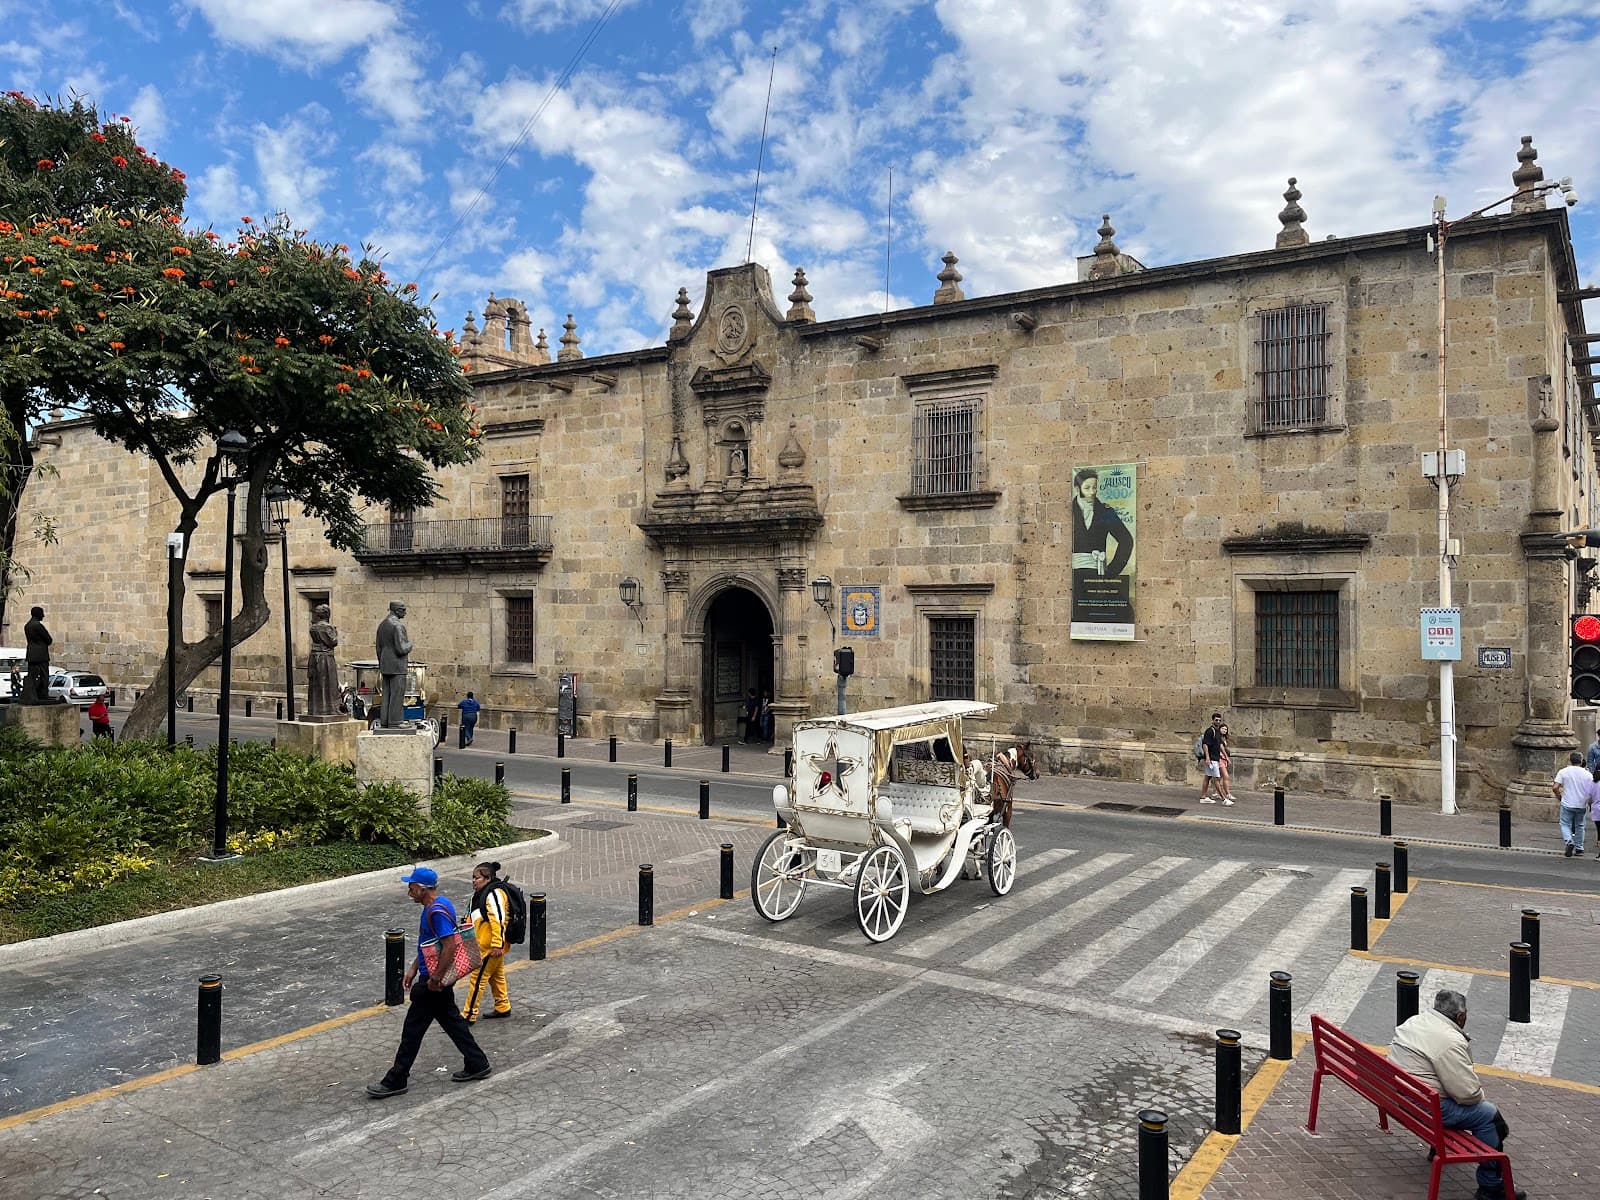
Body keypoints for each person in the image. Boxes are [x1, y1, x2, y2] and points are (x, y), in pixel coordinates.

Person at [367, 866, 492, 1098]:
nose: (409, 892)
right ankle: (478, 1062)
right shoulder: (439, 903)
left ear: (423, 889)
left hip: (434, 981)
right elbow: (430, 944)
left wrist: (435, 979)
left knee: (412, 1030)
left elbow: (449, 945)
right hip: (433, 977)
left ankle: (396, 1079)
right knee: (452, 1022)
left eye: (411, 887)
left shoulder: (435, 912)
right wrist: (414, 968)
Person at [1390, 989, 1525, 1200]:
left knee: (1453, 1098)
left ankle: (1438, 1146)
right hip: (1426, 1108)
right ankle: (1491, 1187)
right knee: (1491, 1117)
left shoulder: (1415, 1021)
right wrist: (1479, 1097)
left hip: (1401, 1097)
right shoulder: (1450, 1041)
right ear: (1461, 1016)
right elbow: (1468, 1093)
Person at [1070, 467, 1133, 624]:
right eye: (1087, 488)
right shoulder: (1068, 511)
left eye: (1095, 487)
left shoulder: (1105, 512)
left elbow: (1126, 540)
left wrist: (1111, 572)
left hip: (1098, 577)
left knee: (1124, 615)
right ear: (1077, 488)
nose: (1092, 492)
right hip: (1072, 580)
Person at [461, 861, 511, 1023]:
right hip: (485, 946)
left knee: (478, 980)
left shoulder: (493, 894)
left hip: (489, 948)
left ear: (488, 878)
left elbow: (499, 919)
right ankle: (502, 1006)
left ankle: (469, 1014)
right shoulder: (481, 894)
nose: (474, 881)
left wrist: (497, 943)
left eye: (477, 878)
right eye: (473, 878)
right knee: (496, 976)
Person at [374, 601, 413, 728]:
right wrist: (410, 645)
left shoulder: (382, 625)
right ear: (396, 610)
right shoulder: (397, 626)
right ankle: (396, 722)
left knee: (386, 695)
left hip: (385, 664)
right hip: (397, 665)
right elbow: (401, 649)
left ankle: (385, 721)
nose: (405, 612)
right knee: (397, 694)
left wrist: (381, 662)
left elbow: (378, 648)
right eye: (403, 610)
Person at [1551, 750, 1592, 857]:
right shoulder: (1587, 774)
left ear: (1570, 760)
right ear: (1581, 761)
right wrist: (1590, 803)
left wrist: (1560, 797)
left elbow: (1555, 787)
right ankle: (1579, 848)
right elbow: (1590, 792)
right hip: (1581, 804)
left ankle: (1569, 841)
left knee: (1565, 824)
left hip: (1567, 803)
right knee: (1580, 825)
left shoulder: (1563, 772)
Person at [306, 605, 340, 717]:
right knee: (329, 683)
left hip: (315, 656)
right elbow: (333, 642)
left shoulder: (313, 627)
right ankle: (330, 709)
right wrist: (335, 632)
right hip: (325, 657)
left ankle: (315, 709)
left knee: (317, 684)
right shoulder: (327, 628)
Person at [1198, 712, 1232, 805]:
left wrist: (1226, 757)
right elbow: (1205, 744)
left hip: (1216, 758)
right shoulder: (1210, 731)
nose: (1218, 722)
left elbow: (1220, 745)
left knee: (1207, 777)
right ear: (1212, 720)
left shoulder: (1217, 732)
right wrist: (1208, 758)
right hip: (1212, 759)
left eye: (1219, 720)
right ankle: (1223, 799)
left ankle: (1203, 797)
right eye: (1216, 720)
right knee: (1216, 779)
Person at [22, 605, 51, 705]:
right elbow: (49, 639)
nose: (43, 616)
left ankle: (32, 694)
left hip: (31, 654)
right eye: (42, 613)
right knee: (44, 675)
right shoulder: (38, 625)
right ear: (38, 614)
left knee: (32, 675)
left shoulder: (27, 625)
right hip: (41, 655)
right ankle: (43, 695)